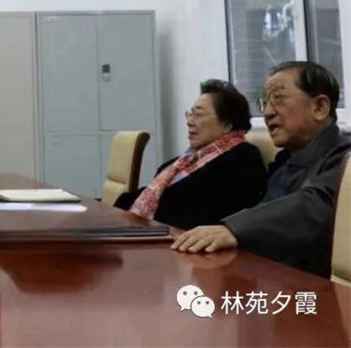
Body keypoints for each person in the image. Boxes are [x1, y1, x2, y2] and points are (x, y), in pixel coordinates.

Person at [172, 62, 350, 277]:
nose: (267, 112)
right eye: (264, 102)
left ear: (320, 107)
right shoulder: (286, 159)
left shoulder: (344, 158)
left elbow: (314, 205)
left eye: (278, 99)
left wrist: (233, 229)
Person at [115, 80, 266, 230]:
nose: (189, 122)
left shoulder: (243, 159)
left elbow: (202, 216)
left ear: (226, 125)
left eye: (198, 114)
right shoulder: (188, 160)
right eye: (190, 114)